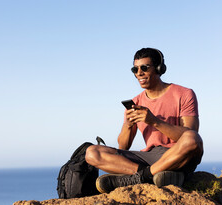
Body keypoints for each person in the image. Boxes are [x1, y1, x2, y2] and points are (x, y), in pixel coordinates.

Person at [85, 48, 203, 193]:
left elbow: (189, 135)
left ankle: (141, 177)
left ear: (159, 68)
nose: (139, 73)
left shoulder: (184, 94)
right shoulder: (136, 102)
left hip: (176, 154)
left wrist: (154, 121)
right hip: (150, 157)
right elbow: (123, 147)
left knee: (193, 139)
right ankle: (151, 175)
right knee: (92, 153)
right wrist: (128, 125)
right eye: (135, 69)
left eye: (144, 68)